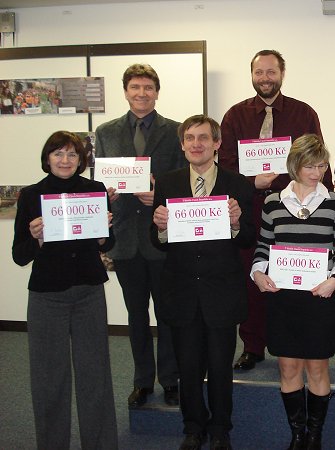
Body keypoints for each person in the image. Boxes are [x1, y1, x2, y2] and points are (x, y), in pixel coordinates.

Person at [220, 49, 334, 371]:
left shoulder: (303, 113)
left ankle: (296, 343)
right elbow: (225, 164)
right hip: (249, 208)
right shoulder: (235, 116)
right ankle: (252, 346)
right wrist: (251, 182)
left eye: (271, 72)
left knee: (294, 272)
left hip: (294, 209)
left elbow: (317, 158)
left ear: (282, 74)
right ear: (252, 75)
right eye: (259, 72)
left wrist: (329, 197)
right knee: (252, 276)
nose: (265, 78)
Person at [151, 115, 255, 450]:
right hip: (181, 289)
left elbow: (248, 238)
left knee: (221, 366)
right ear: (182, 145)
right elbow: (158, 241)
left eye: (204, 138)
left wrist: (237, 223)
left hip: (221, 290)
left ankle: (221, 428)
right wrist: (161, 227)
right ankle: (193, 427)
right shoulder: (167, 183)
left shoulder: (238, 184)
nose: (197, 144)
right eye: (190, 138)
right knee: (188, 366)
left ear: (217, 143)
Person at [12, 131, 118, 449]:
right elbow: (20, 255)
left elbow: (107, 243)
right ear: (47, 158)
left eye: (72, 154)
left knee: (95, 374)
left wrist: (104, 233)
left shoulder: (95, 190)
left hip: (88, 292)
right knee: (49, 378)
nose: (65, 160)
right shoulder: (31, 196)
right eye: (58, 153)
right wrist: (36, 238)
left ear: (81, 160)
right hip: (47, 296)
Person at [252, 134, 335, 450]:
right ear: (295, 164)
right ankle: (297, 434)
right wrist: (257, 273)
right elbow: (264, 246)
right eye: (310, 166)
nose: (316, 172)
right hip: (283, 299)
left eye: (321, 166)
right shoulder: (273, 202)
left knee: (317, 368)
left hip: (320, 297)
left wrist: (334, 280)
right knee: (288, 367)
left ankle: (314, 435)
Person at [95, 63, 184, 407]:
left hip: (160, 236)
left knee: (168, 314)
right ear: (126, 92)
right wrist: (106, 195)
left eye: (148, 87)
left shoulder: (175, 131)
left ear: (157, 92)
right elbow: (100, 182)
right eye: (135, 87)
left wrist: (160, 193)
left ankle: (171, 380)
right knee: (135, 316)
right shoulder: (106, 131)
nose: (141, 93)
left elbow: (182, 183)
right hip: (125, 239)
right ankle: (142, 381)